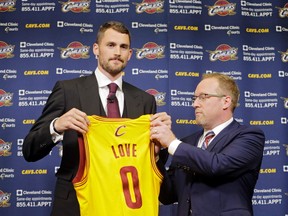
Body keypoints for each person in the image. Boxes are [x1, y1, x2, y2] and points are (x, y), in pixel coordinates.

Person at [22, 21, 170, 216]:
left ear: (130, 54)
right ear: (96, 49)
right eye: (111, 45)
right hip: (75, 204)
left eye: (123, 47)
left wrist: (159, 150)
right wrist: (57, 126)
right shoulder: (68, 90)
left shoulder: (145, 100)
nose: (117, 52)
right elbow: (29, 149)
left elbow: (151, 163)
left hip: (126, 205)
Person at [150, 73, 265, 216]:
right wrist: (155, 157)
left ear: (226, 101)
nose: (195, 104)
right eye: (194, 98)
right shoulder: (187, 142)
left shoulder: (249, 136)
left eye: (203, 97)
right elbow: (167, 195)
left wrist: (172, 143)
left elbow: (217, 165)